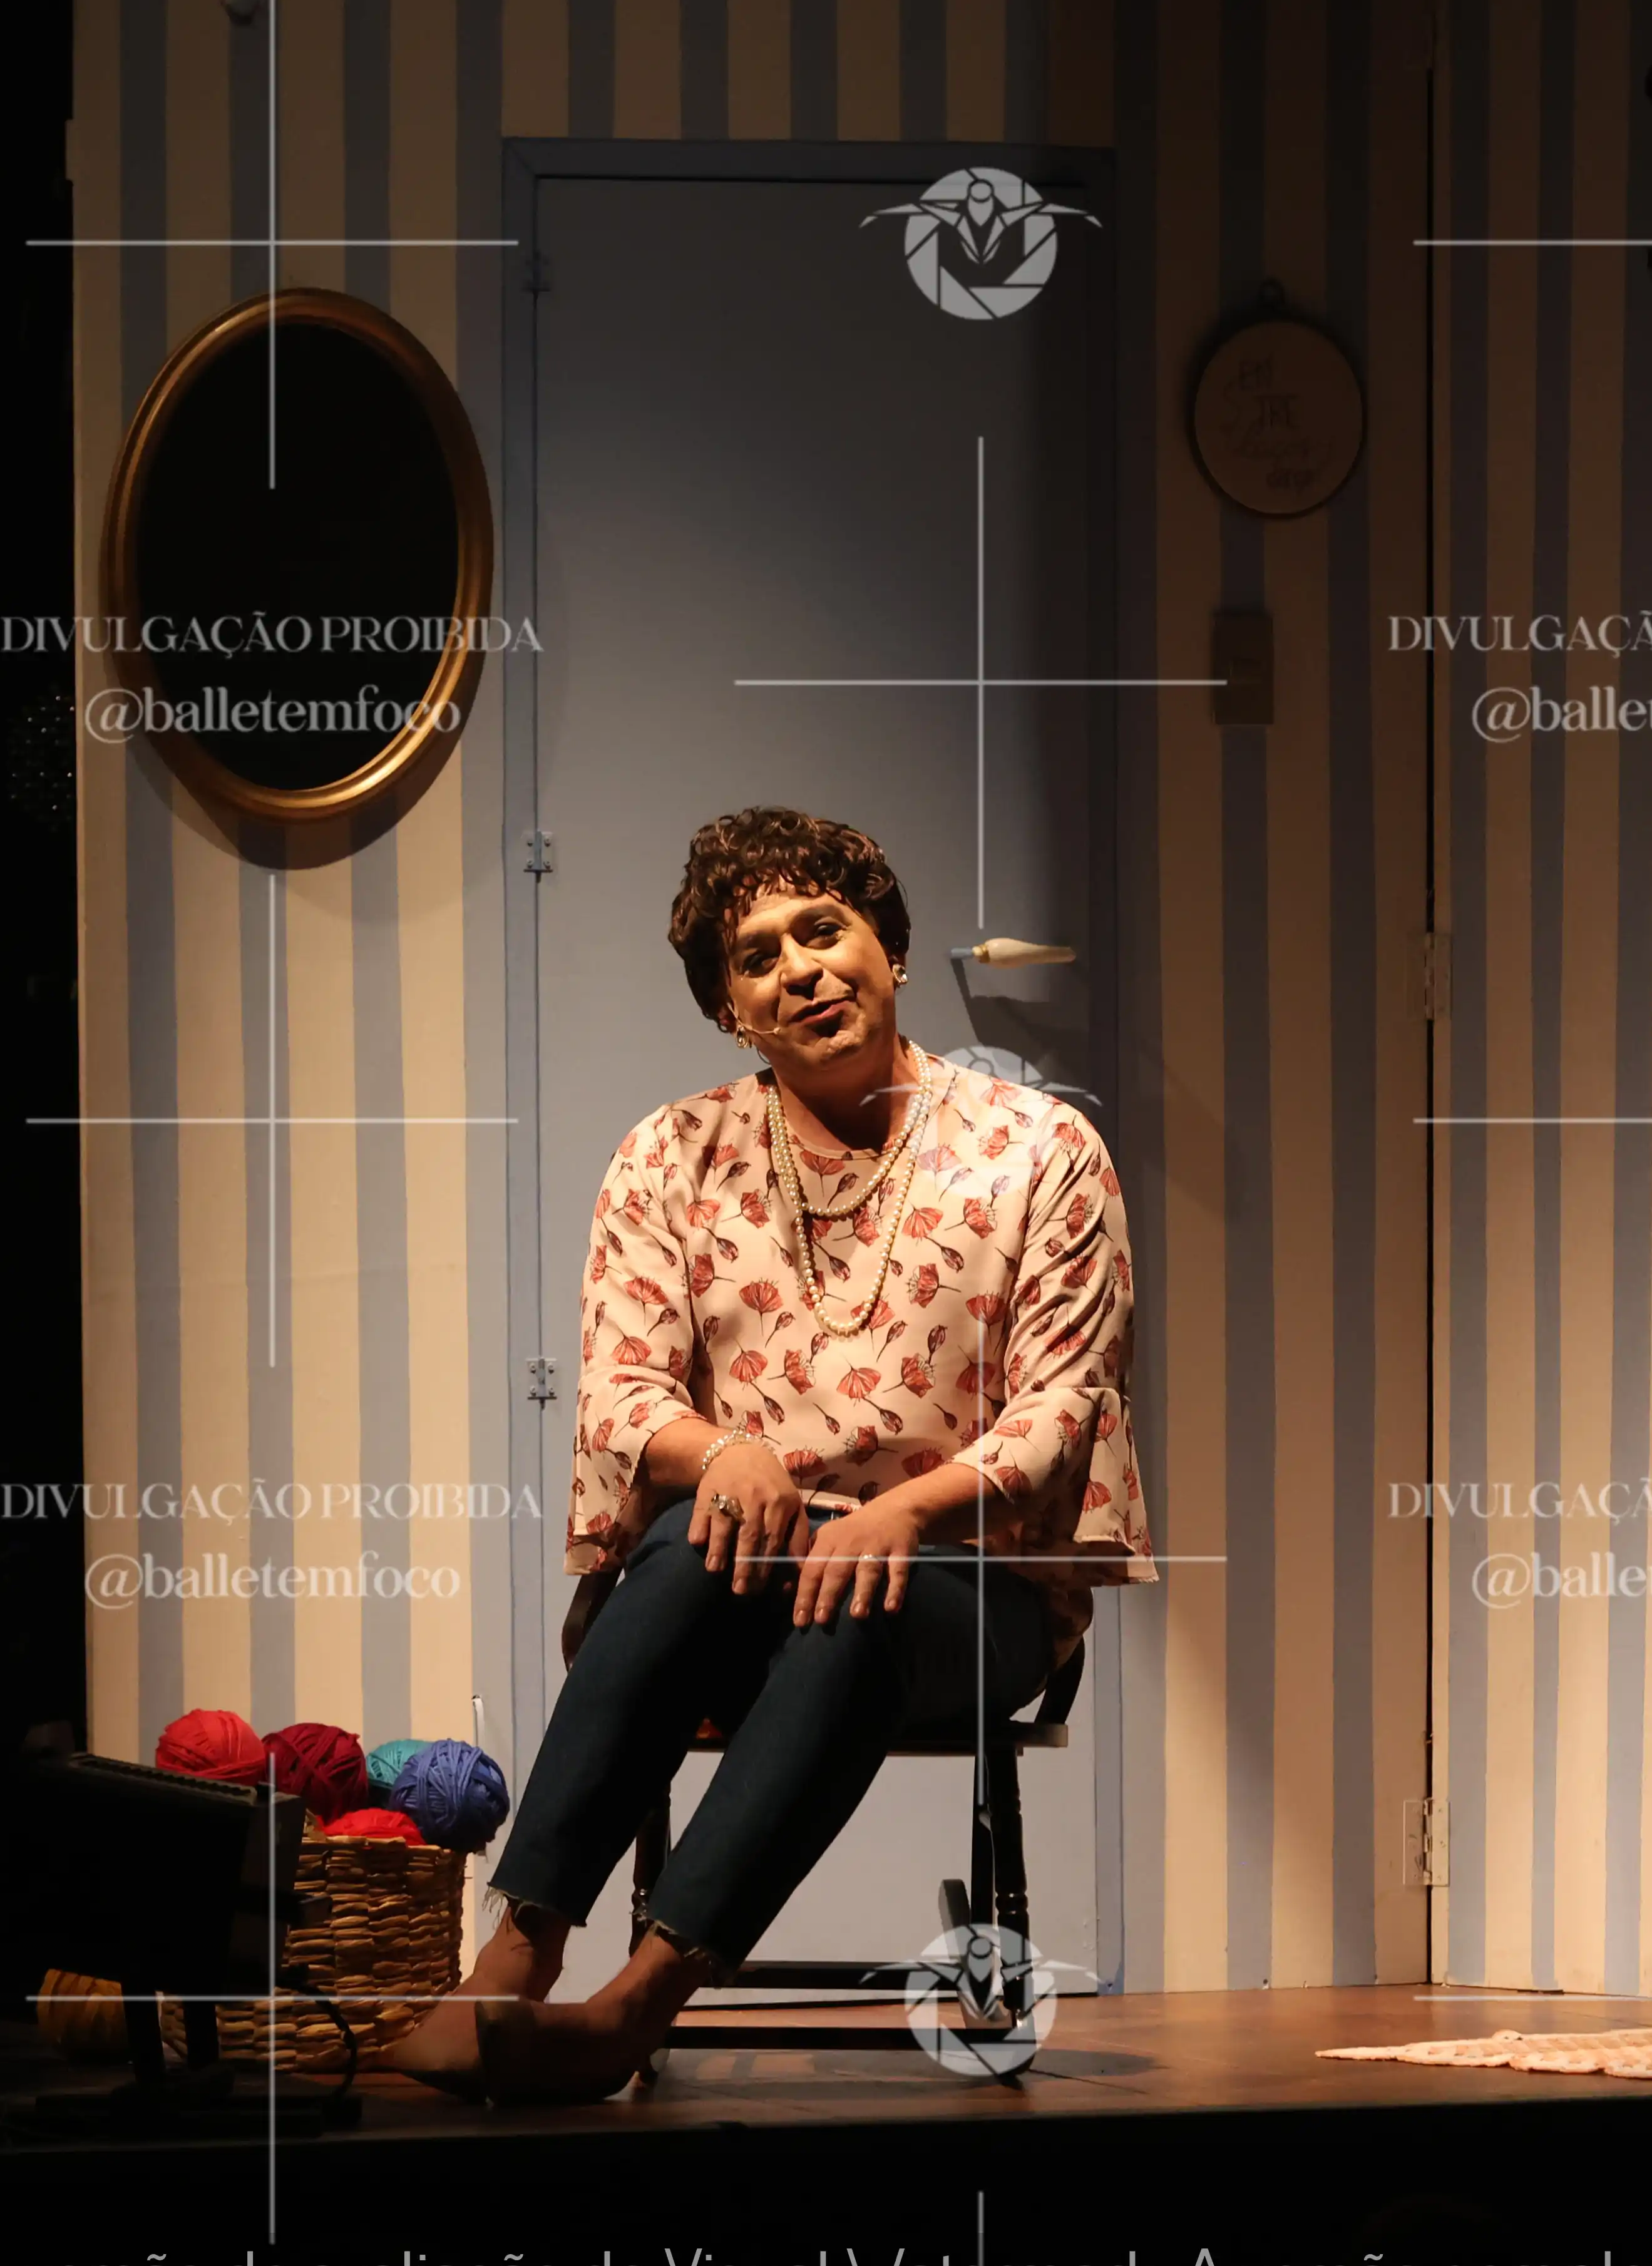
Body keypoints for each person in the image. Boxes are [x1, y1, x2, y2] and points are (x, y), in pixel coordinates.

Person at [378, 807, 1152, 2101]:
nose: (801, 969)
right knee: (685, 1551)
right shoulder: (670, 1155)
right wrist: (720, 1451)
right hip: (747, 1574)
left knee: (860, 1601)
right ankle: (517, 1954)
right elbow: (624, 1389)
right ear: (732, 1009)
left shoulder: (1041, 1150)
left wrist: (904, 1513)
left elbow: (1066, 1401)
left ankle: (637, 2003)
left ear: (887, 946)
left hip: (968, 1586)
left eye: (824, 929)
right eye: (757, 956)